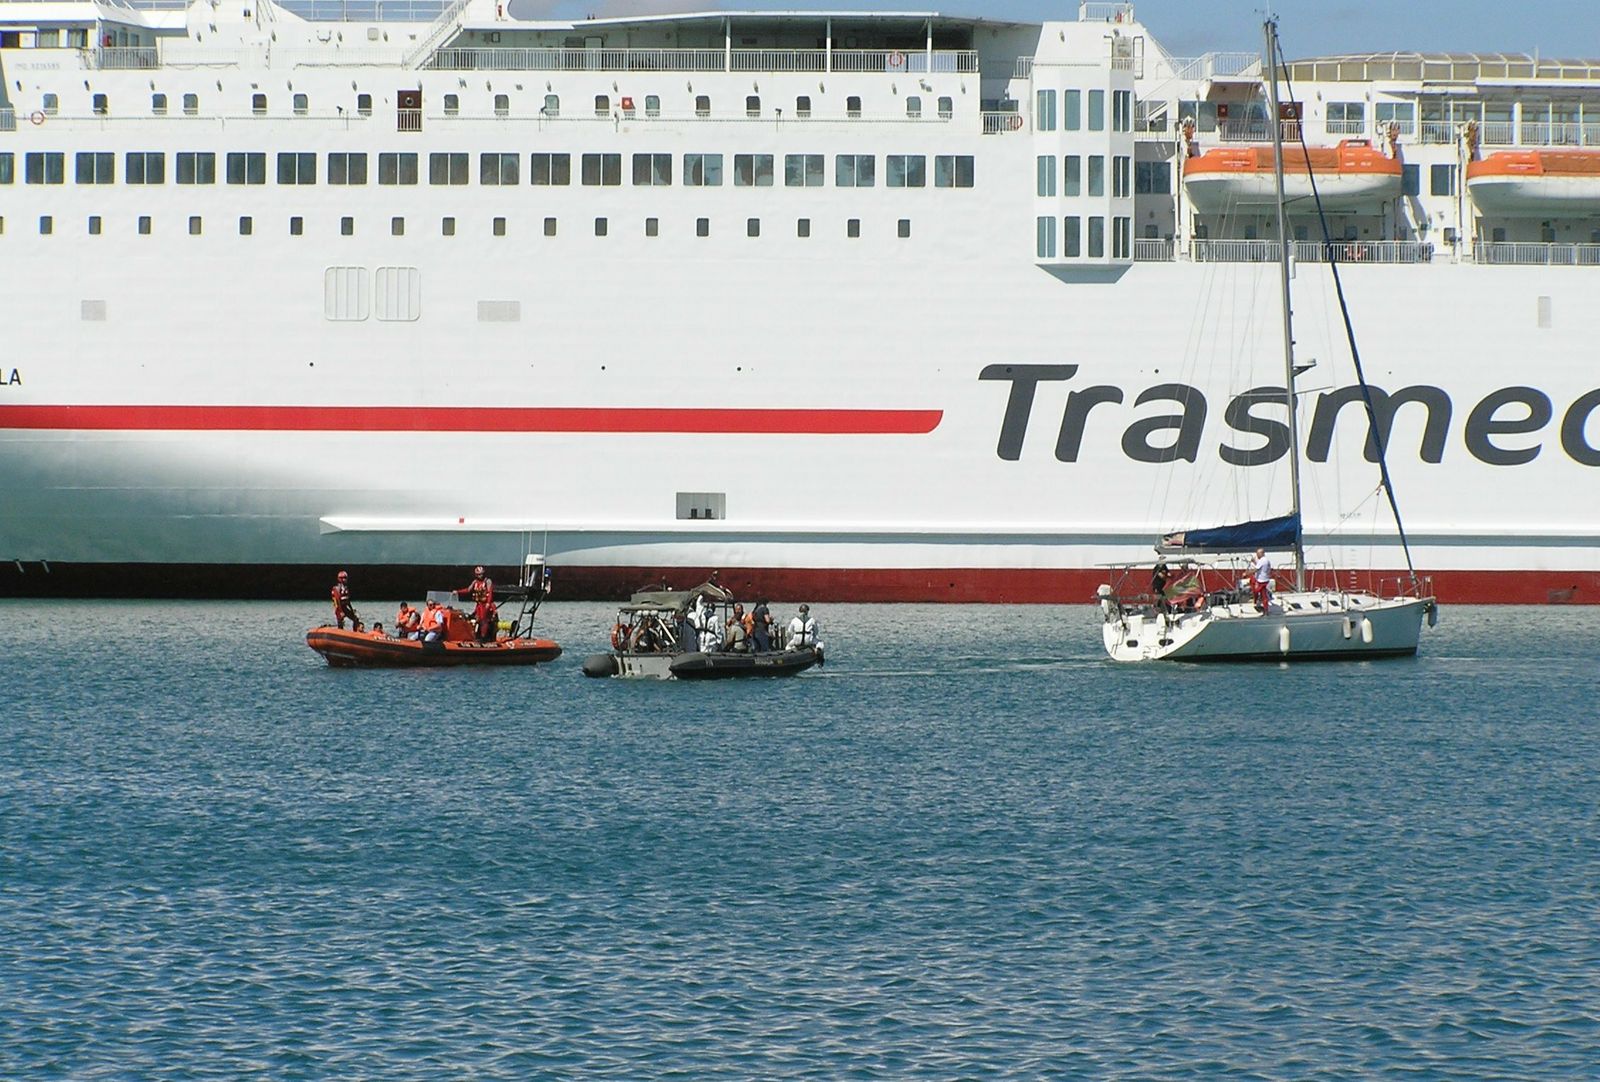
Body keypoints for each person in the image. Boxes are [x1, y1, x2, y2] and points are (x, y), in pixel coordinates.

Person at [456, 565, 496, 641]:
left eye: (481, 574)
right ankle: (477, 635)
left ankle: (484, 637)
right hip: (479, 605)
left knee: (484, 620)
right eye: (479, 574)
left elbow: (490, 592)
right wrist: (458, 592)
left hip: (486, 604)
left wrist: (488, 603)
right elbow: (468, 590)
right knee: (477, 619)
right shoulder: (475, 582)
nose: (480, 576)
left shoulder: (487, 581)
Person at [1251, 548, 1274, 612]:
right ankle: (1264, 608)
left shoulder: (1262, 560)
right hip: (1264, 579)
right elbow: (1260, 566)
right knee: (1262, 594)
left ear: (1262, 553)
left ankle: (1257, 602)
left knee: (1256, 591)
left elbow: (1256, 569)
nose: (1257, 555)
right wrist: (1254, 562)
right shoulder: (1265, 560)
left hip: (1262, 580)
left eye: (1258, 554)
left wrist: (1246, 573)